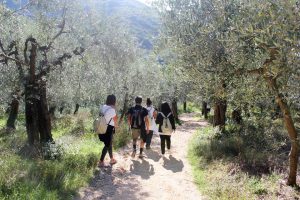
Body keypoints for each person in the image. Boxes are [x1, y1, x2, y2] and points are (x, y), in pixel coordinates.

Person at [98, 94, 118, 167]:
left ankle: (112, 159)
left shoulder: (103, 107)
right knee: (107, 144)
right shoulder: (112, 110)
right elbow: (115, 119)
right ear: (114, 101)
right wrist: (116, 127)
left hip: (101, 126)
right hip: (109, 128)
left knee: (109, 144)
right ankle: (101, 161)